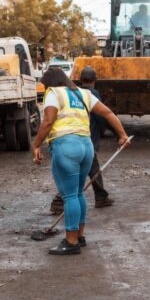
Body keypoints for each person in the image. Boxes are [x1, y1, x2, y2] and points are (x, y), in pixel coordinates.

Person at [32, 67, 129, 255]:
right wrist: (122, 134)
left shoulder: (54, 93)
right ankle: (79, 235)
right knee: (78, 194)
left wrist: (36, 145)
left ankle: (71, 241)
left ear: (50, 83)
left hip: (66, 147)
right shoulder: (83, 94)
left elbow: (48, 121)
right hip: (86, 147)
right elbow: (108, 113)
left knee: (69, 196)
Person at [49, 67, 113, 216]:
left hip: (73, 137)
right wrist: (107, 132)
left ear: (80, 79)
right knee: (77, 174)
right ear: (95, 80)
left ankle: (101, 196)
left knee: (90, 169)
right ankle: (59, 202)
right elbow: (102, 116)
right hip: (87, 139)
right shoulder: (92, 94)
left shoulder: (73, 92)